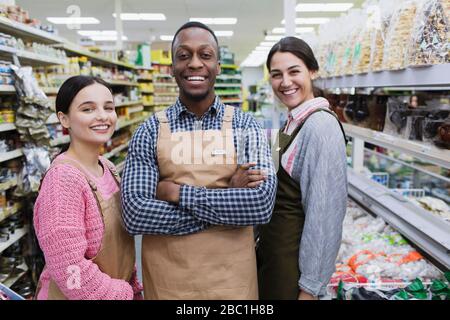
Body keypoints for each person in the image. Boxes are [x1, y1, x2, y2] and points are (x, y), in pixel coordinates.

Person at [121, 21, 277, 300]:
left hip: (233, 285)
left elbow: (261, 205)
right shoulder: (149, 130)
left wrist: (177, 192)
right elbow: (135, 214)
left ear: (217, 65)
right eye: (184, 55)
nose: (194, 63)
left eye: (205, 55)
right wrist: (228, 198)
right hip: (169, 285)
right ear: (172, 67)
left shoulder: (246, 125)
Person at [33, 76, 142, 300]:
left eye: (108, 107)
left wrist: (133, 285)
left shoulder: (108, 167)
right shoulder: (63, 180)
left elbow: (122, 247)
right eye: (88, 109)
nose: (102, 116)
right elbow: (70, 272)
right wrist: (124, 293)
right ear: (64, 119)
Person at [257, 37, 348, 300]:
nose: (285, 82)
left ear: (312, 71)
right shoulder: (293, 122)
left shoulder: (321, 127)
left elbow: (324, 216)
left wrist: (309, 289)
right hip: (274, 262)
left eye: (294, 71)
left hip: (293, 276)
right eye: (277, 75)